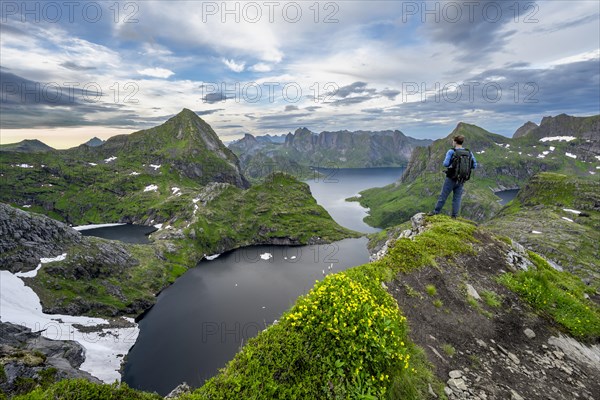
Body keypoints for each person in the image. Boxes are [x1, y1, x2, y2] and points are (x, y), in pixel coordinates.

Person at [430, 135, 477, 218]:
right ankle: (454, 216)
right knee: (457, 198)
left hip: (451, 178)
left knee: (443, 196)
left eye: (453, 141)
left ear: (455, 142)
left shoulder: (451, 151)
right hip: (462, 179)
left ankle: (436, 212)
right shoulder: (468, 152)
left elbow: (445, 164)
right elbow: (474, 165)